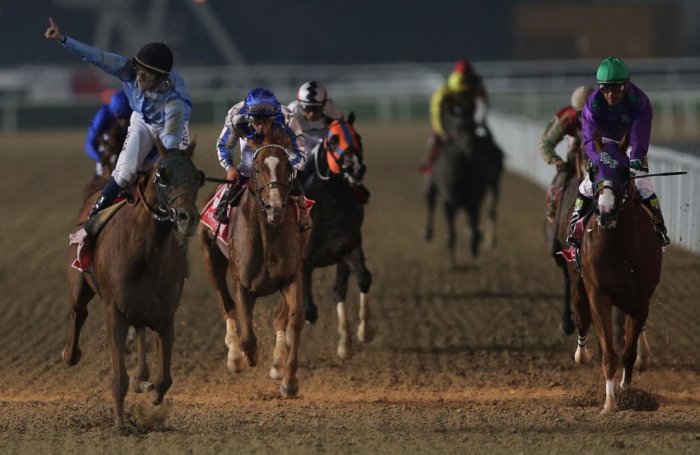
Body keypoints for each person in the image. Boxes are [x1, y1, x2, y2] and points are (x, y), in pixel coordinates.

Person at [44, 18, 192, 218]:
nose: (139, 77)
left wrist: (164, 162)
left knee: (171, 170)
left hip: (171, 124)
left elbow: (171, 142)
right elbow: (97, 57)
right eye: (139, 70)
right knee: (124, 174)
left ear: (161, 79)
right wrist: (63, 39)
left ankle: (178, 218)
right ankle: (93, 220)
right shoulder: (128, 69)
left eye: (147, 75)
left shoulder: (174, 100)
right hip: (141, 119)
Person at [566, 56, 670, 247]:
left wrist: (635, 161)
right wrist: (597, 160)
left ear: (626, 85)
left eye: (616, 89)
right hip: (603, 145)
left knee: (643, 183)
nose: (610, 94)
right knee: (587, 185)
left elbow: (640, 136)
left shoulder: (639, 101)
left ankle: (659, 227)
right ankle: (575, 227)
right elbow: (588, 139)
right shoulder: (592, 103)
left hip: (630, 144)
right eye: (605, 88)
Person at [215, 87, 311, 230]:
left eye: (266, 120)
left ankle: (302, 209)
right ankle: (222, 209)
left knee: (292, 179)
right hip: (249, 151)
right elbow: (224, 145)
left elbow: (300, 151)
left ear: (273, 116)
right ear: (248, 116)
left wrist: (287, 169)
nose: (261, 126)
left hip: (278, 152)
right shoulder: (236, 116)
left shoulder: (286, 118)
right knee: (245, 170)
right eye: (256, 120)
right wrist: (229, 167)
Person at [420, 58, 489, 175]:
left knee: (486, 138)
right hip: (449, 124)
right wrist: (441, 131)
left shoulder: (474, 83)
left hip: (469, 121)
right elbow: (436, 114)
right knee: (434, 141)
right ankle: (430, 166)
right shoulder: (444, 93)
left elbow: (483, 102)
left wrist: (480, 120)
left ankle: (492, 165)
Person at [539, 86, 594, 222]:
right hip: (577, 139)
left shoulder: (607, 114)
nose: (587, 117)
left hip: (597, 145)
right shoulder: (566, 118)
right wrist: (556, 160)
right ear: (575, 112)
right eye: (581, 114)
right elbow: (545, 144)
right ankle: (554, 201)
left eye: (591, 112)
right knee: (572, 154)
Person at [84, 90, 132, 177]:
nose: (124, 121)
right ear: (113, 113)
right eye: (120, 117)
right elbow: (90, 144)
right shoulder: (102, 116)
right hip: (109, 144)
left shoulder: (136, 115)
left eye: (128, 117)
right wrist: (101, 159)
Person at [288, 81, 344, 151]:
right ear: (300, 105)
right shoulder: (292, 111)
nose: (312, 114)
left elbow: (342, 129)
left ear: (324, 105)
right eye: (308, 108)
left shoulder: (332, 109)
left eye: (316, 109)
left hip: (326, 136)